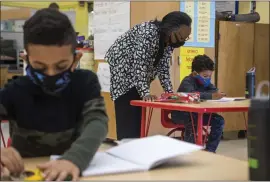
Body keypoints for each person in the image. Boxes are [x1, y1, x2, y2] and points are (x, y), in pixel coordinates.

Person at [0, 8, 108, 181]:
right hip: (27, 173)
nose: (50, 74)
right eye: (40, 67)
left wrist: (74, 158)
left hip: (74, 171)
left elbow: (97, 122)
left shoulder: (85, 83)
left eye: (61, 66)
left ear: (76, 59)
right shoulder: (15, 90)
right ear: (26, 60)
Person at [105, 11, 192, 140]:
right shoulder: (148, 32)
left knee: (137, 117)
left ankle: (134, 148)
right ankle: (126, 149)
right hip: (122, 71)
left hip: (139, 76)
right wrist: (145, 92)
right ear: (170, 28)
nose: (181, 41)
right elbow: (139, 63)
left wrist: (170, 93)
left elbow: (163, 68)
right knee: (127, 114)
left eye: (185, 39)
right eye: (180, 36)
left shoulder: (168, 42)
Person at [171, 54, 225, 153]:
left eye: (210, 76)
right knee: (193, 120)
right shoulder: (187, 81)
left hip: (198, 114)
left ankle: (210, 151)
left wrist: (215, 93)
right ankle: (190, 152)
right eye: (205, 76)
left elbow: (215, 91)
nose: (208, 79)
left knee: (219, 120)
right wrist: (210, 96)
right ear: (195, 73)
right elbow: (192, 96)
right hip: (180, 114)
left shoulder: (206, 83)